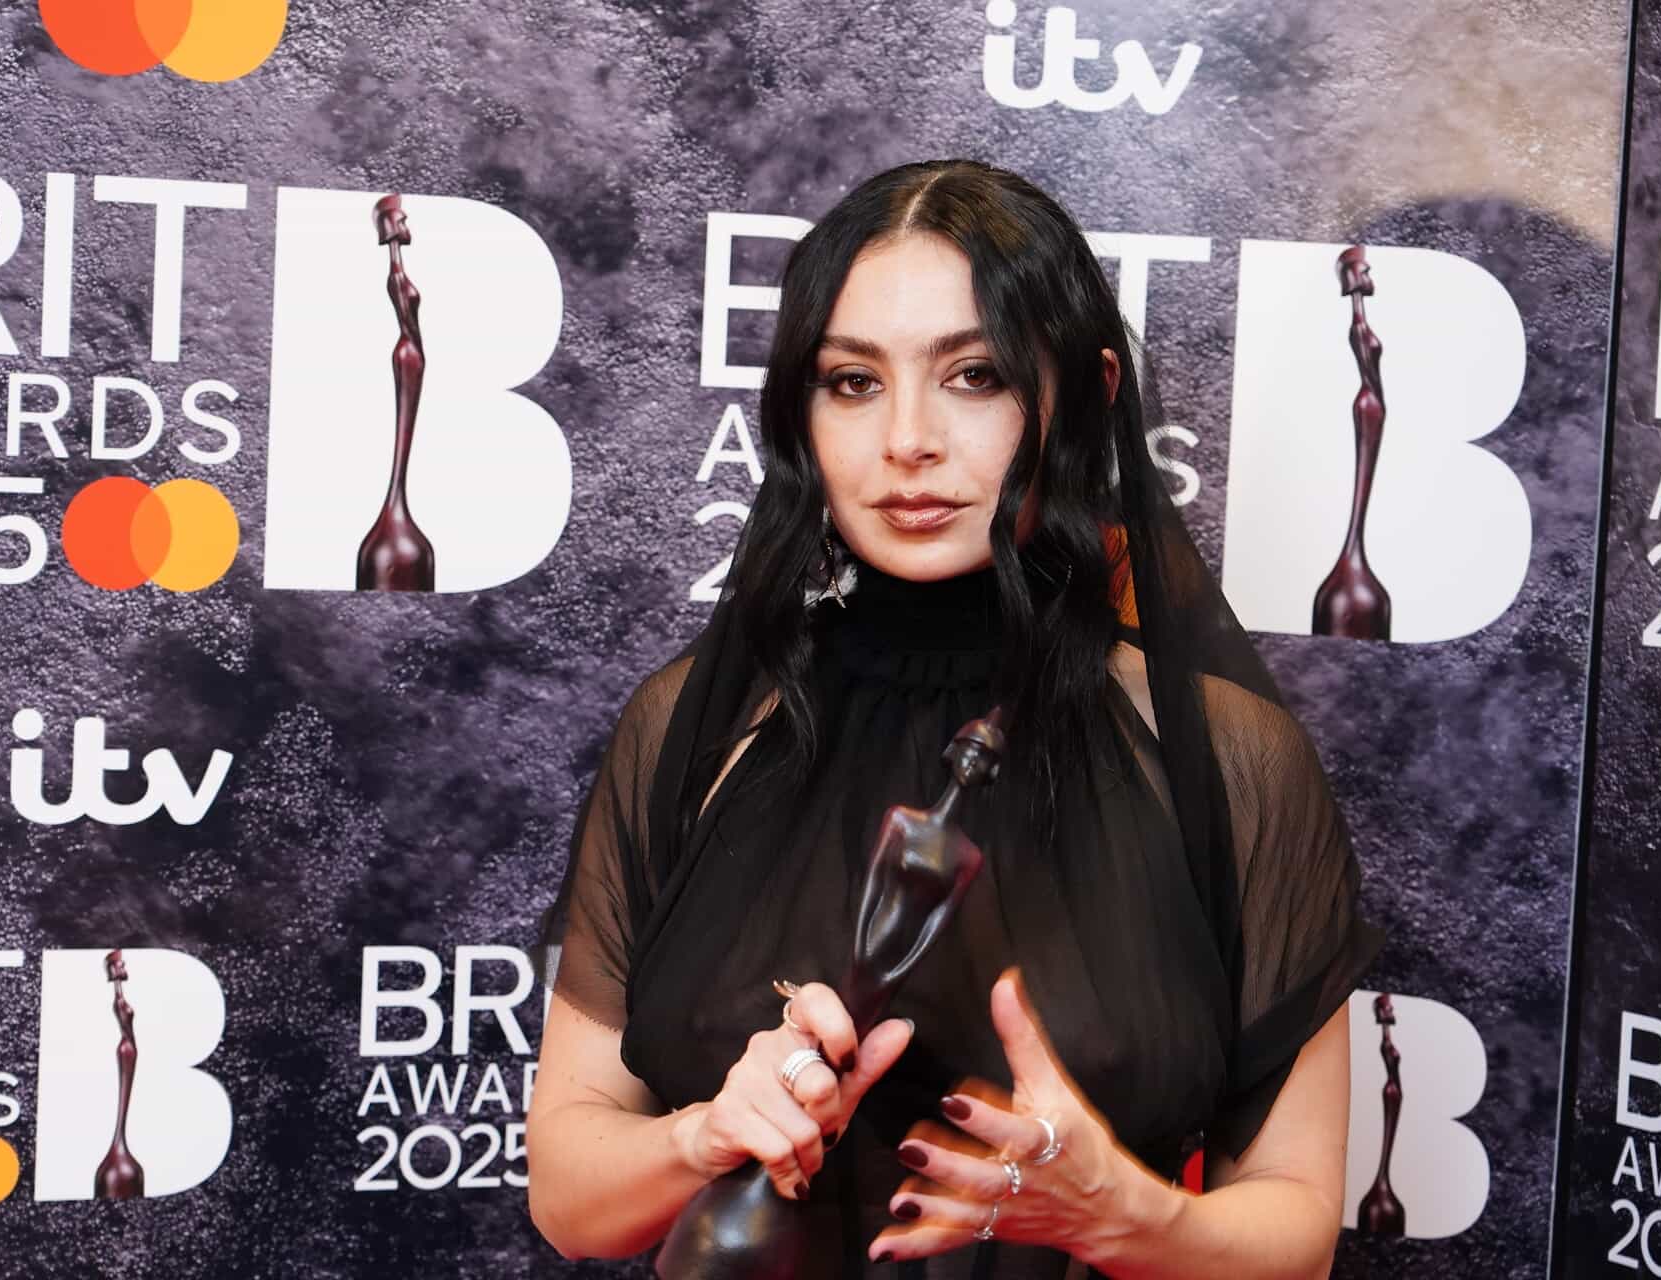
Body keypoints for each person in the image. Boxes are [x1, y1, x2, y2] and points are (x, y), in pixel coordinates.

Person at [529, 159, 1381, 1278]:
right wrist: (706, 1133)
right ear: (800, 408)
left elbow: (1298, 1231)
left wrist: (1124, 1214)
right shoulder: (694, 726)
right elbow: (571, 1200)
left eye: (974, 375)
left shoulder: (1224, 760)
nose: (908, 441)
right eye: (852, 381)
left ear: (1090, 390)